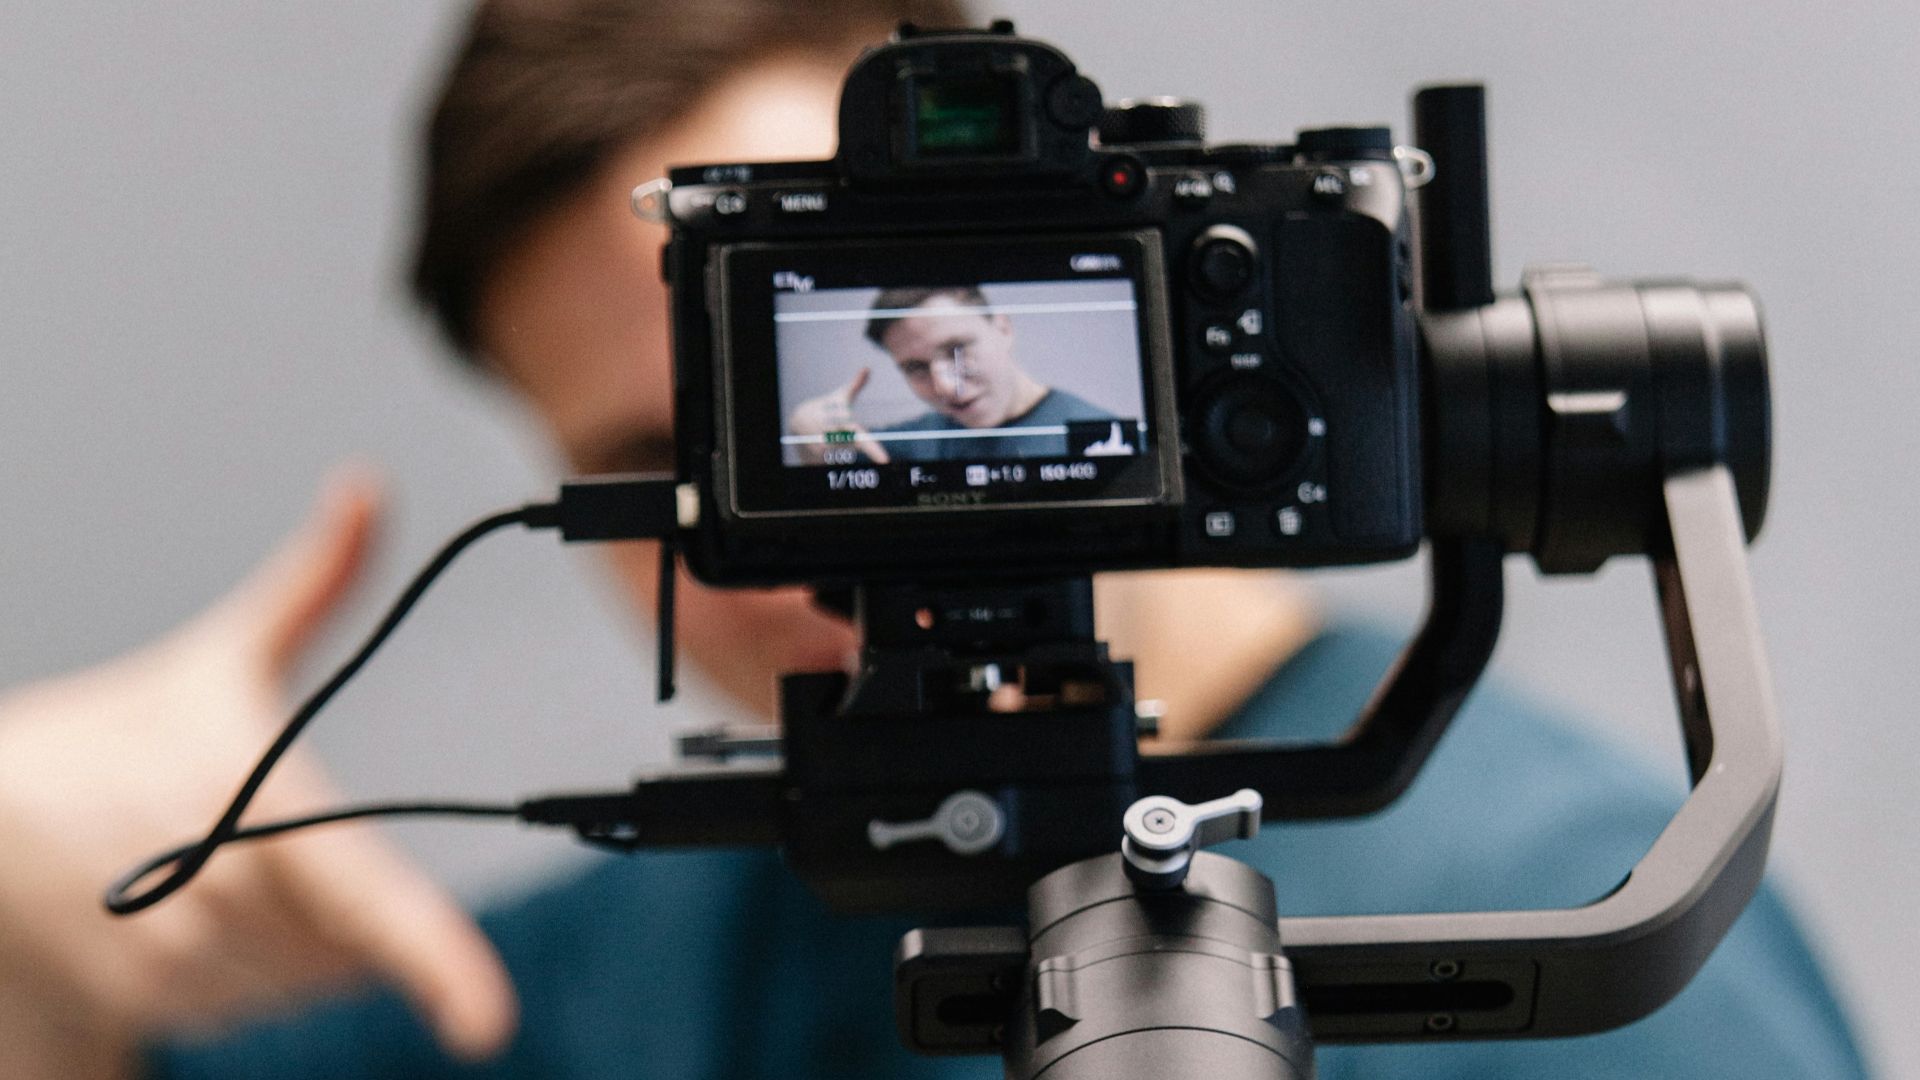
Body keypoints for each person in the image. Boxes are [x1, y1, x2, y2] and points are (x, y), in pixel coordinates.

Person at [0, 2, 1873, 1078]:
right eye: (684, 456)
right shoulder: (615, 982)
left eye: (914, 363)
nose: (818, 536)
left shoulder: (1561, 921)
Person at [786, 285, 1119, 464]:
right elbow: (836, 446)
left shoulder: (1103, 438)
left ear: (1003, 329)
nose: (946, 387)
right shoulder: (915, 442)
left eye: (957, 350)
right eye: (916, 368)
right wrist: (809, 430)